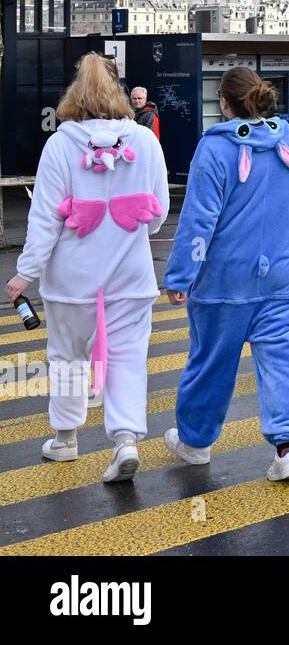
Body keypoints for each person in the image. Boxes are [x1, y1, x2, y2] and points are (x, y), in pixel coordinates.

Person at [5, 53, 168, 483]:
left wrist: (25, 273)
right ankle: (126, 441)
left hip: (71, 280)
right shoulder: (145, 141)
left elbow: (44, 219)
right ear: (119, 94)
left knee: (67, 356)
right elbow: (158, 212)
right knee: (126, 357)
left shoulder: (60, 145)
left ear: (73, 95)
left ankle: (65, 438)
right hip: (131, 278)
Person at [162, 66, 289, 481]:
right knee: (287, 364)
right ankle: (288, 449)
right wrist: (281, 213)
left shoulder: (214, 148)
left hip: (224, 282)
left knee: (211, 363)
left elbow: (199, 220)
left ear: (224, 102)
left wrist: (180, 276)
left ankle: (196, 442)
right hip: (283, 279)